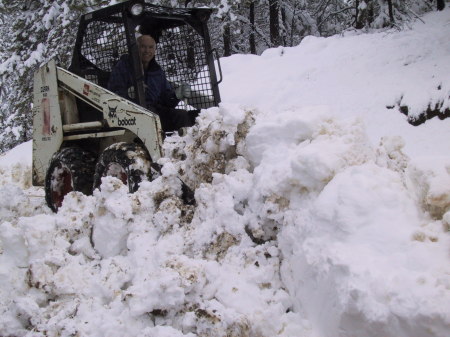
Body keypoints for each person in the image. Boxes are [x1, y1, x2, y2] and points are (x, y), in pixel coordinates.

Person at [108, 34, 197, 132]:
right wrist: (130, 94)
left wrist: (176, 95)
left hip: (154, 112)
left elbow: (166, 100)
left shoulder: (157, 72)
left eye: (150, 47)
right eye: (143, 47)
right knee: (151, 119)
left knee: (182, 116)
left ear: (155, 50)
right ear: (136, 48)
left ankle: (182, 144)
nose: (147, 51)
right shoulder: (124, 66)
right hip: (130, 114)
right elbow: (112, 93)